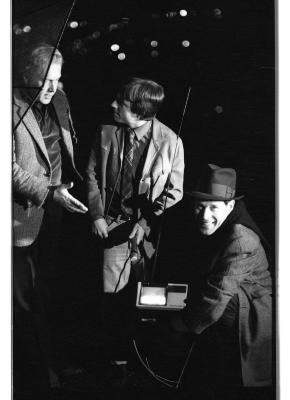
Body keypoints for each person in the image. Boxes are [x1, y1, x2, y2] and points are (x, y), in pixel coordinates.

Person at [86, 77, 184, 375]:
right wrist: (97, 214)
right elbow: (90, 174)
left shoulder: (171, 143)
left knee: (146, 300)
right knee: (111, 298)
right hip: (111, 227)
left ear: (141, 112)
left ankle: (145, 359)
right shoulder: (106, 132)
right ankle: (117, 362)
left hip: (149, 234)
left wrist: (145, 221)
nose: (113, 105)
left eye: (122, 103)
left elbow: (174, 191)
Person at [13, 44, 88, 395]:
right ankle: (37, 375)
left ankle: (53, 362)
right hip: (23, 216)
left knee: (52, 289)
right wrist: (47, 190)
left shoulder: (60, 99)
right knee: (27, 299)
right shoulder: (8, 105)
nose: (51, 87)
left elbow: (67, 144)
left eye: (57, 80)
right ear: (27, 75)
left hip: (60, 210)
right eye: (45, 80)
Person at [172, 163, 273, 392]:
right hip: (227, 305)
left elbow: (216, 297)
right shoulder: (214, 227)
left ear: (230, 205)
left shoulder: (240, 239)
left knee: (220, 305)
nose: (204, 216)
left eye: (213, 208)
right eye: (199, 207)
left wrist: (180, 324)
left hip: (252, 313)